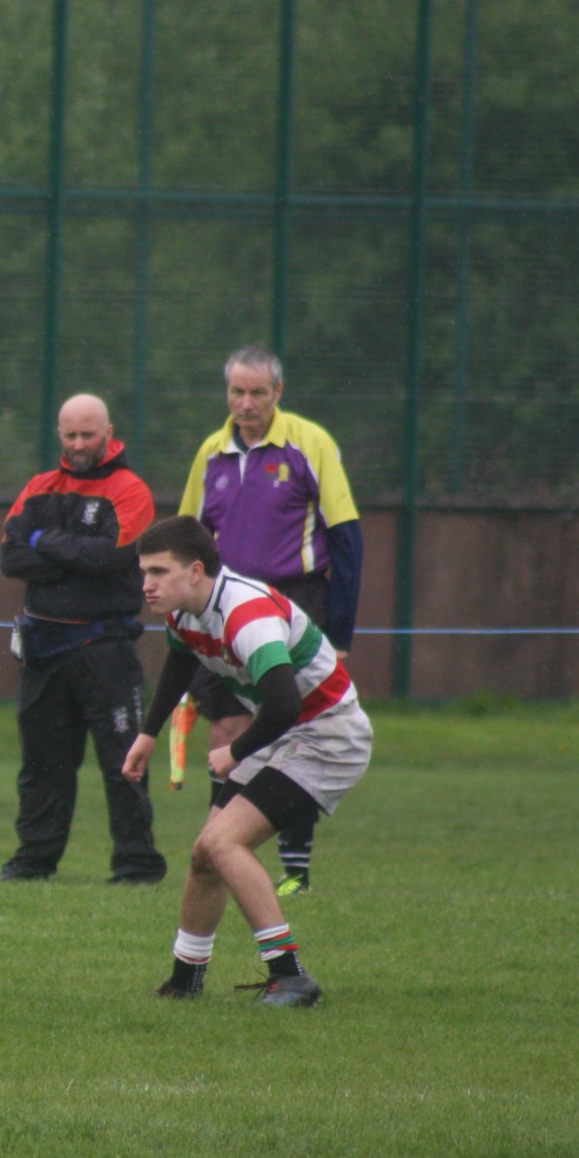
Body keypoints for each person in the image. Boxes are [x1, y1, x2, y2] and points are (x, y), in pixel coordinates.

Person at [123, 516, 371, 1008]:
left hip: (329, 737)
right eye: (144, 572)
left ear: (196, 571)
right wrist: (148, 734)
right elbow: (181, 660)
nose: (147, 584)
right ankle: (186, 980)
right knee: (205, 852)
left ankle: (291, 977)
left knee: (224, 842)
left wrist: (235, 751)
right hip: (286, 732)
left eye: (158, 572)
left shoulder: (247, 613)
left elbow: (285, 704)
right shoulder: (185, 610)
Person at [178, 345, 363, 896]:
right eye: (237, 392)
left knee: (296, 729)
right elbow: (186, 537)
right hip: (223, 610)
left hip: (293, 604)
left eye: (258, 392)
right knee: (228, 731)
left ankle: (295, 869)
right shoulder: (211, 452)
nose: (246, 403)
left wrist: (340, 634)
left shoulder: (310, 443)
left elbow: (346, 539)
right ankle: (218, 850)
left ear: (278, 393)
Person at [0, 394, 166, 885]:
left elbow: (109, 558)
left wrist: (43, 541)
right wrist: (73, 557)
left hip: (104, 646)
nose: (78, 444)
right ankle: (34, 861)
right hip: (42, 648)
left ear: (108, 433)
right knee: (42, 762)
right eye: (69, 435)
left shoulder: (130, 491)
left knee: (123, 760)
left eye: (87, 435)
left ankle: (137, 865)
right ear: (59, 434)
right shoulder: (39, 487)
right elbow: (10, 558)